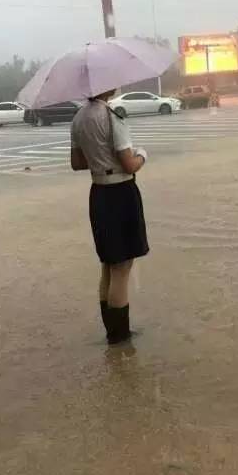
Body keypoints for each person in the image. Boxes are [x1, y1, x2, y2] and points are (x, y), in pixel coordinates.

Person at [70, 90, 148, 344]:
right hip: (120, 192)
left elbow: (77, 162)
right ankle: (120, 335)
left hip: (99, 194)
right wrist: (142, 155)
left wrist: (98, 158)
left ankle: (111, 332)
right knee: (122, 267)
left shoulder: (78, 118)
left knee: (108, 265)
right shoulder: (112, 115)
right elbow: (129, 164)